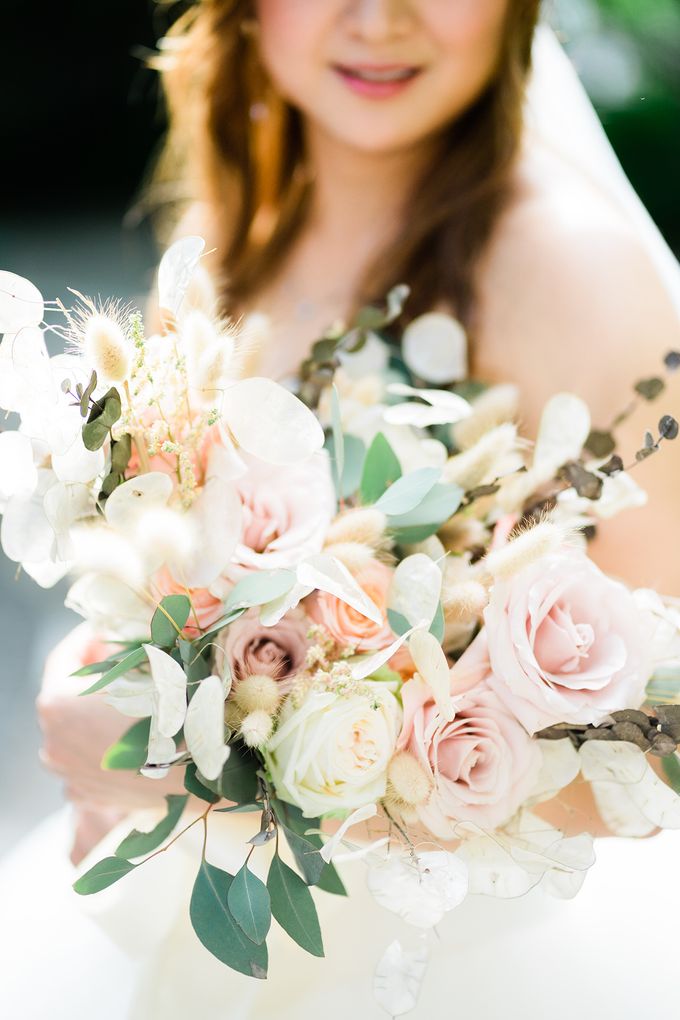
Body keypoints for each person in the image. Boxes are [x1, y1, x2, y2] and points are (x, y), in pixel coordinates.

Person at [2, 3, 679, 1018]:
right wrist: (110, 670)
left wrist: (209, 773)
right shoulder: (232, 227)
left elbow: (662, 743)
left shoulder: (575, 274)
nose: (378, 19)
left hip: (452, 976)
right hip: (200, 936)